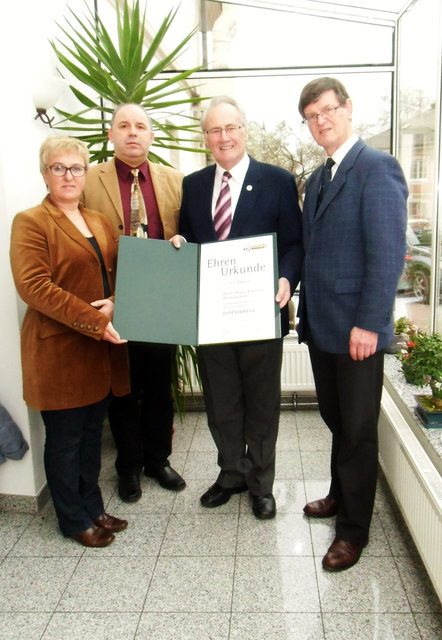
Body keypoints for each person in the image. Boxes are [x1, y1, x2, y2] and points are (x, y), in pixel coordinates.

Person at [170, 96, 303, 519]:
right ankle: (230, 473)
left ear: (245, 131)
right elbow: (189, 240)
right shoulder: (192, 185)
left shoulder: (278, 180)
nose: (223, 137)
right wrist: (179, 247)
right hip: (212, 319)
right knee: (221, 403)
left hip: (262, 314)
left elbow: (296, 243)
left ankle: (261, 483)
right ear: (206, 137)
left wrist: (285, 278)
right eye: (214, 130)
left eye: (231, 128)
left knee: (262, 405)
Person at [297, 77, 408, 570]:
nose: (320, 121)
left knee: (359, 431)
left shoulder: (377, 168)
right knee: (337, 420)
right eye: (311, 116)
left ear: (347, 109)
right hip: (323, 328)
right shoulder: (318, 178)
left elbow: (387, 256)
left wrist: (369, 324)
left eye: (327, 110)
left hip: (356, 332)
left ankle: (353, 532)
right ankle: (340, 495)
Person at [10, 135, 130, 547]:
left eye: (76, 168)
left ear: (85, 174)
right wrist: (96, 319)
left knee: (92, 435)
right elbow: (34, 287)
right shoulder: (31, 221)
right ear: (45, 174)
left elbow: (120, 274)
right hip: (58, 352)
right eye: (58, 168)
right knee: (65, 442)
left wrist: (115, 301)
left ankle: (93, 506)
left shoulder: (96, 220)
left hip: (99, 353)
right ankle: (72, 518)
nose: (68, 175)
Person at [82, 103, 185, 503]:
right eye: (123, 125)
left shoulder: (175, 181)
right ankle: (128, 467)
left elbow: (188, 235)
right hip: (115, 303)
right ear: (111, 134)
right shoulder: (88, 180)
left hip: (162, 303)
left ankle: (158, 460)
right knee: (123, 391)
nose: (132, 133)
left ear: (151, 135)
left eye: (140, 126)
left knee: (160, 387)